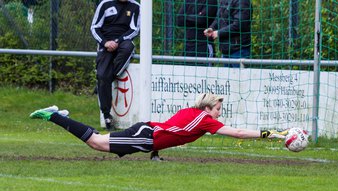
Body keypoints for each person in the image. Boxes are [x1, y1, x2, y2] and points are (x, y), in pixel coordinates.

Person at [29, 94, 288, 160]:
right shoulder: (205, 119)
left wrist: (155, 154)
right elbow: (238, 133)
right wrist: (273, 134)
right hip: (145, 137)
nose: (220, 113)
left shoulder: (192, 113)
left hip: (147, 136)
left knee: (98, 139)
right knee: (96, 142)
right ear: (208, 108)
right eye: (218, 108)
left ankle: (59, 115)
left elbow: (171, 131)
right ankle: (54, 116)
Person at [90, 0, 140, 130]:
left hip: (123, 42)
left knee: (128, 48)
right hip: (105, 44)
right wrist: (106, 42)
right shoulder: (105, 4)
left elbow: (135, 30)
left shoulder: (136, 6)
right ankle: (107, 116)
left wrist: (118, 41)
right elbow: (94, 27)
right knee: (102, 75)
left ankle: (103, 83)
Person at [204, 0, 252, 68]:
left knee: (240, 77)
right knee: (227, 78)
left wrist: (219, 33)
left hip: (239, 50)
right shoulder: (223, 1)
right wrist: (212, 28)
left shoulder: (242, 1)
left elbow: (240, 24)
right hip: (225, 51)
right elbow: (218, 19)